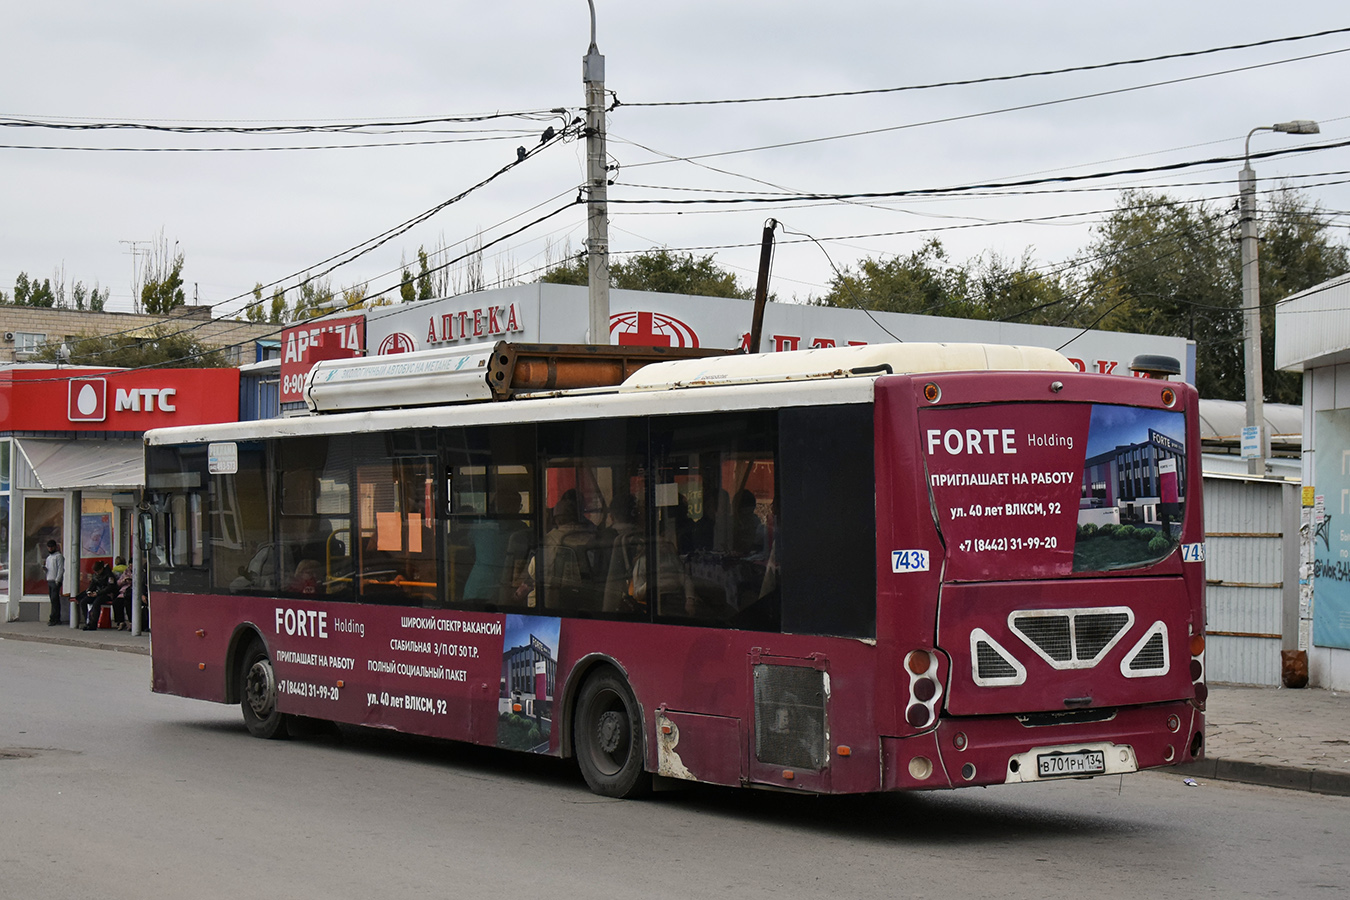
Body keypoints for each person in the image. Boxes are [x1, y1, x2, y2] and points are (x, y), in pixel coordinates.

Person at [80, 561, 118, 631]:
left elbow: (110, 587)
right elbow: (92, 585)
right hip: (97, 593)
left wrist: (98, 593)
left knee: (96, 603)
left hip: (107, 594)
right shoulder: (95, 576)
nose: (96, 573)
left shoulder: (109, 575)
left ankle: (93, 623)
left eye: (97, 571)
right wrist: (89, 591)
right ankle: (87, 621)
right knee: (83, 602)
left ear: (101, 569)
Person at [44, 540, 65, 626]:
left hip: (55, 580)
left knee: (54, 599)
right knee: (53, 600)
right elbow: (48, 569)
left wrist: (58, 580)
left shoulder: (58, 556)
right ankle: (56, 617)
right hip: (49, 579)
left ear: (55, 547)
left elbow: (60, 569)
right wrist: (45, 570)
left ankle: (54, 618)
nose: (50, 548)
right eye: (49, 547)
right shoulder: (48, 558)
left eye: (52, 547)